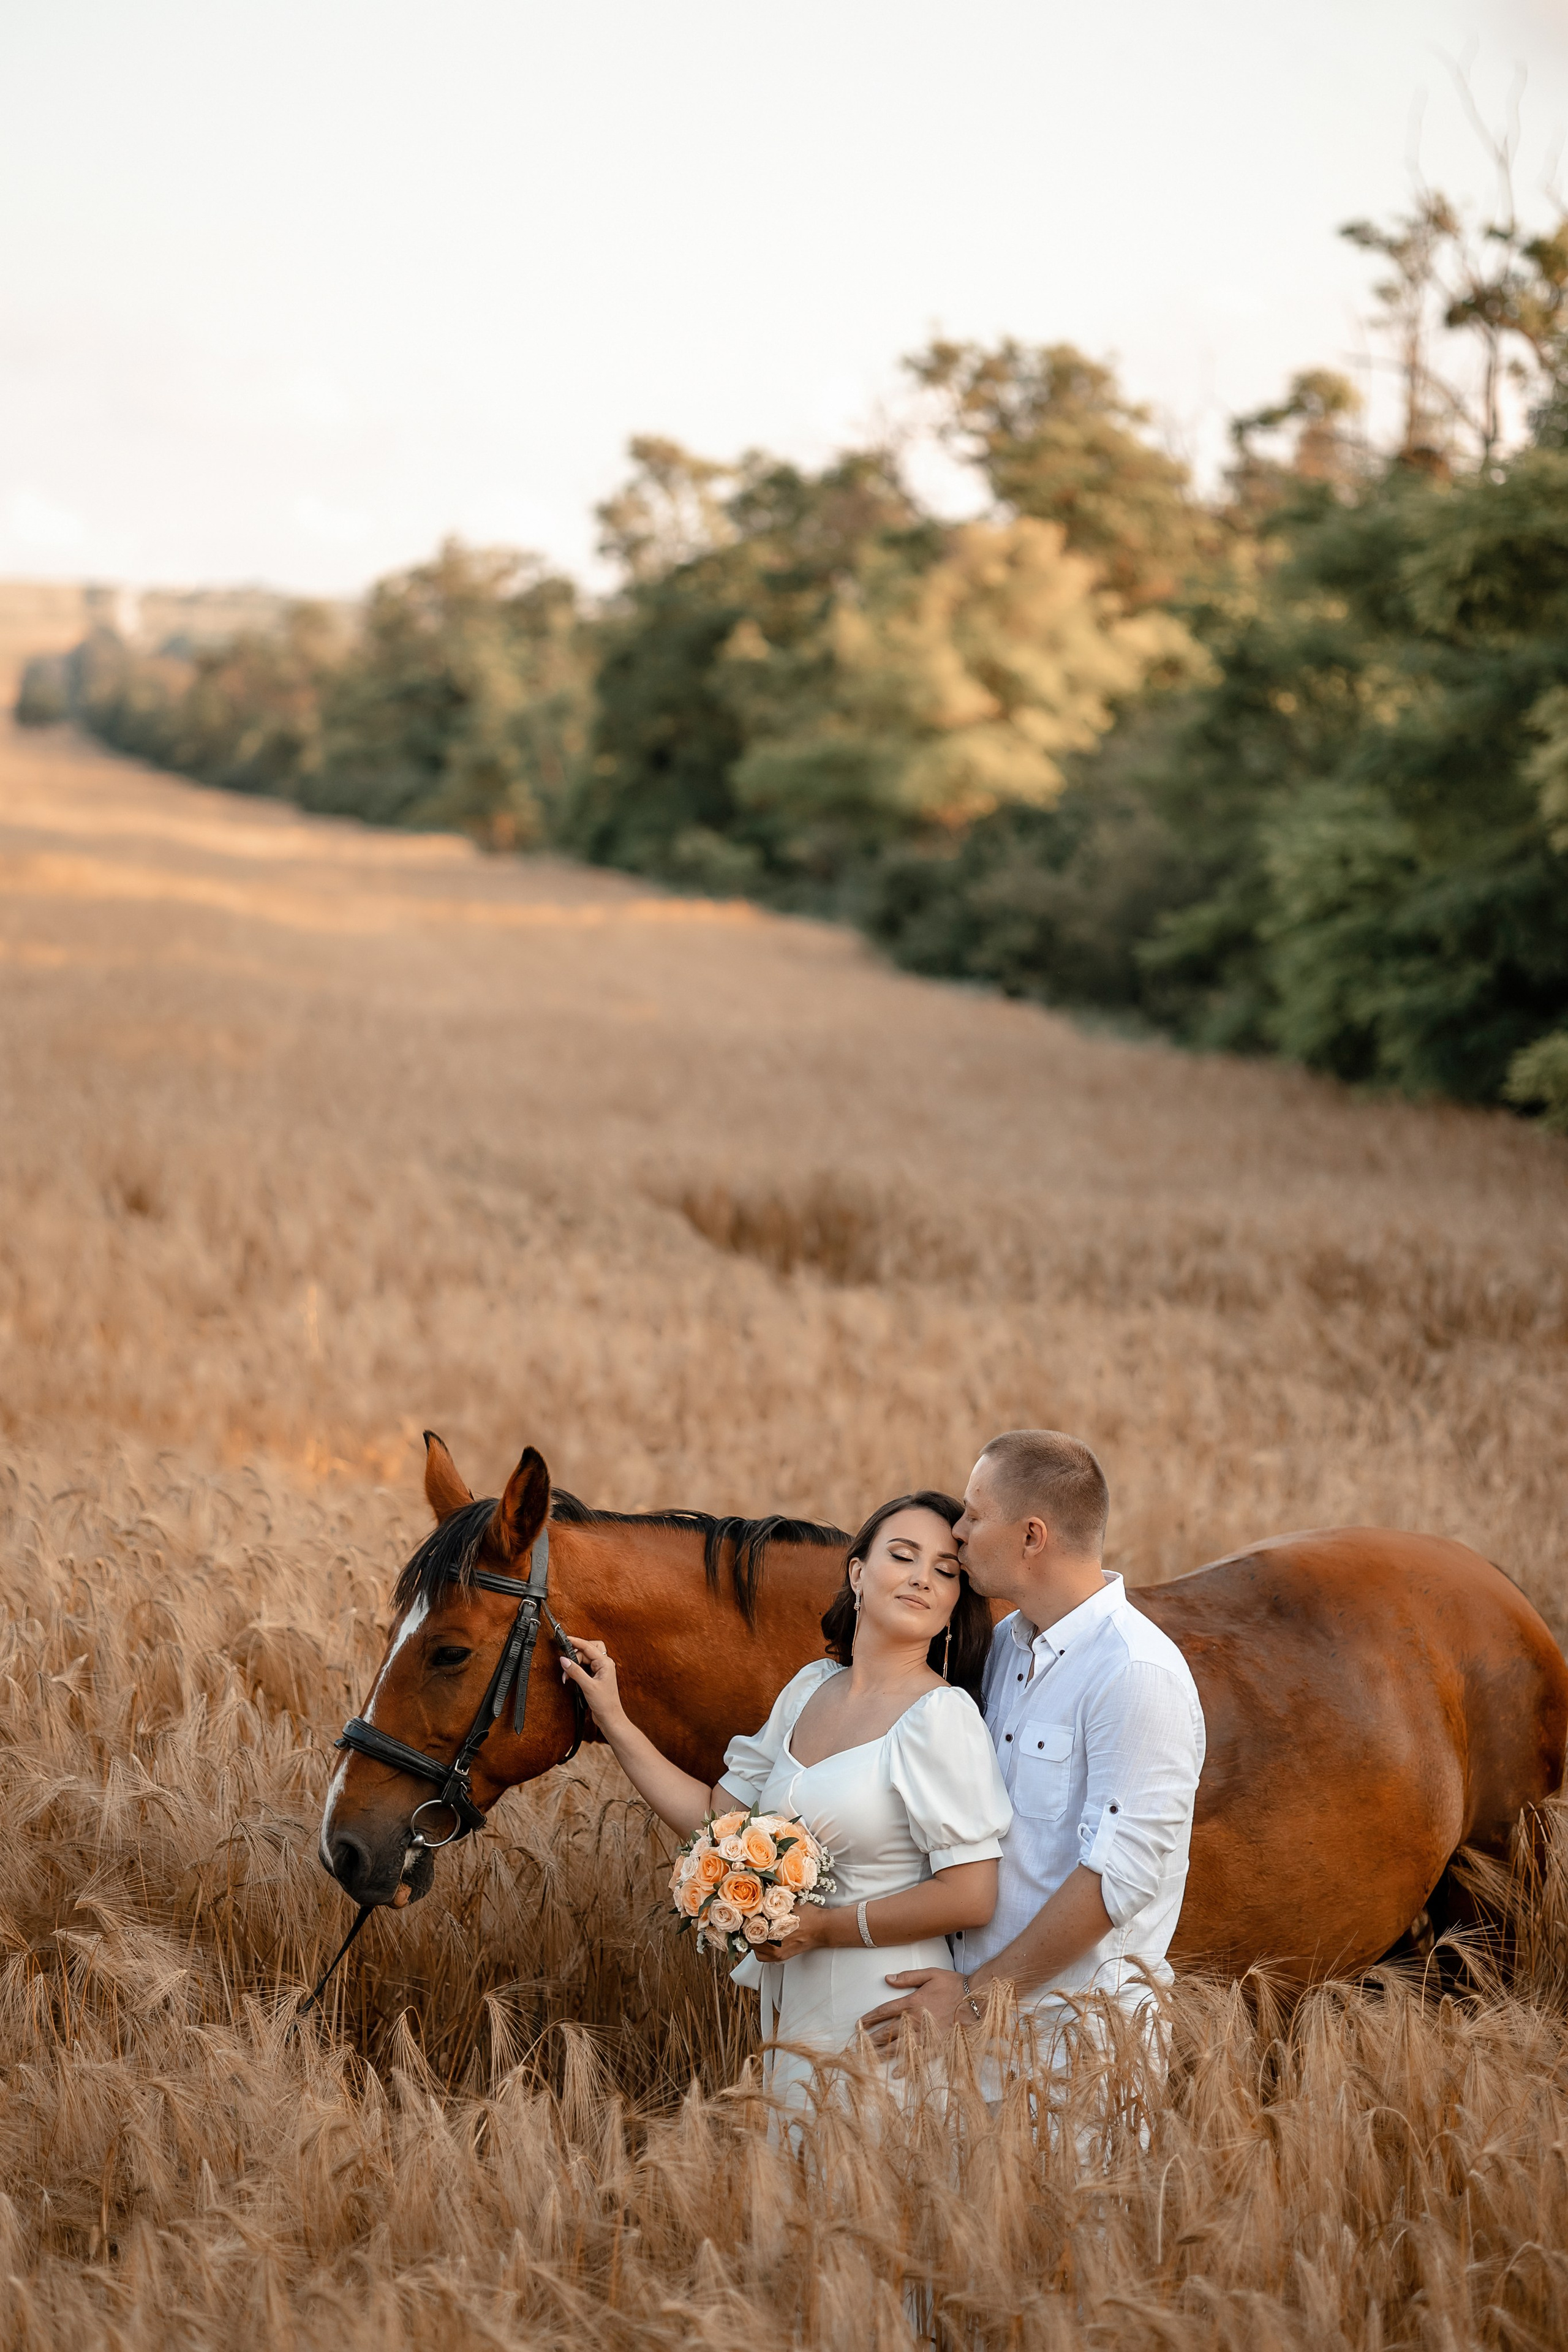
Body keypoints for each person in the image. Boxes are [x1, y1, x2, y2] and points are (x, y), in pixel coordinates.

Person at [560, 1490, 1012, 2107]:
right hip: (792, 2001)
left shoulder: (941, 1716)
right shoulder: (809, 1689)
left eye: (945, 1571)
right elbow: (716, 1819)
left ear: (956, 1600)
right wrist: (612, 1716)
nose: (922, 1579)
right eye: (903, 1556)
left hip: (886, 2009)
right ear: (857, 1572)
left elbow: (971, 1893)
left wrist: (823, 1927)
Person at [860, 1430, 1205, 2085]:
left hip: (1075, 2056)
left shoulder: (1135, 1673)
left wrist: (973, 2001)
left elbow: (1116, 1880)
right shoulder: (1003, 1649)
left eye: (974, 1513)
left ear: (1031, 1536)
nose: (957, 1532)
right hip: (965, 2044)